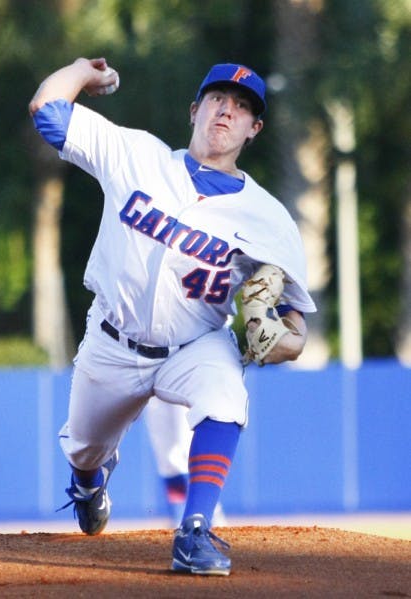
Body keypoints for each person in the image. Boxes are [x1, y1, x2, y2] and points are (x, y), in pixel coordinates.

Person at [29, 58, 316, 576]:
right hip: (112, 342)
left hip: (194, 345)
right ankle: (90, 481)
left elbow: (296, 325)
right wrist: (78, 71)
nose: (227, 110)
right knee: (85, 450)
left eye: (243, 107)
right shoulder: (137, 155)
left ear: (255, 129)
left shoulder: (269, 218)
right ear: (195, 111)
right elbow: (47, 110)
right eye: (218, 99)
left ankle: (196, 531)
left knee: (226, 394)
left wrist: (282, 343)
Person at [144, 396, 227, 527]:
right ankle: (179, 519)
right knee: (167, 460)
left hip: (182, 384)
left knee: (187, 450)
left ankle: (210, 514)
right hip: (153, 389)